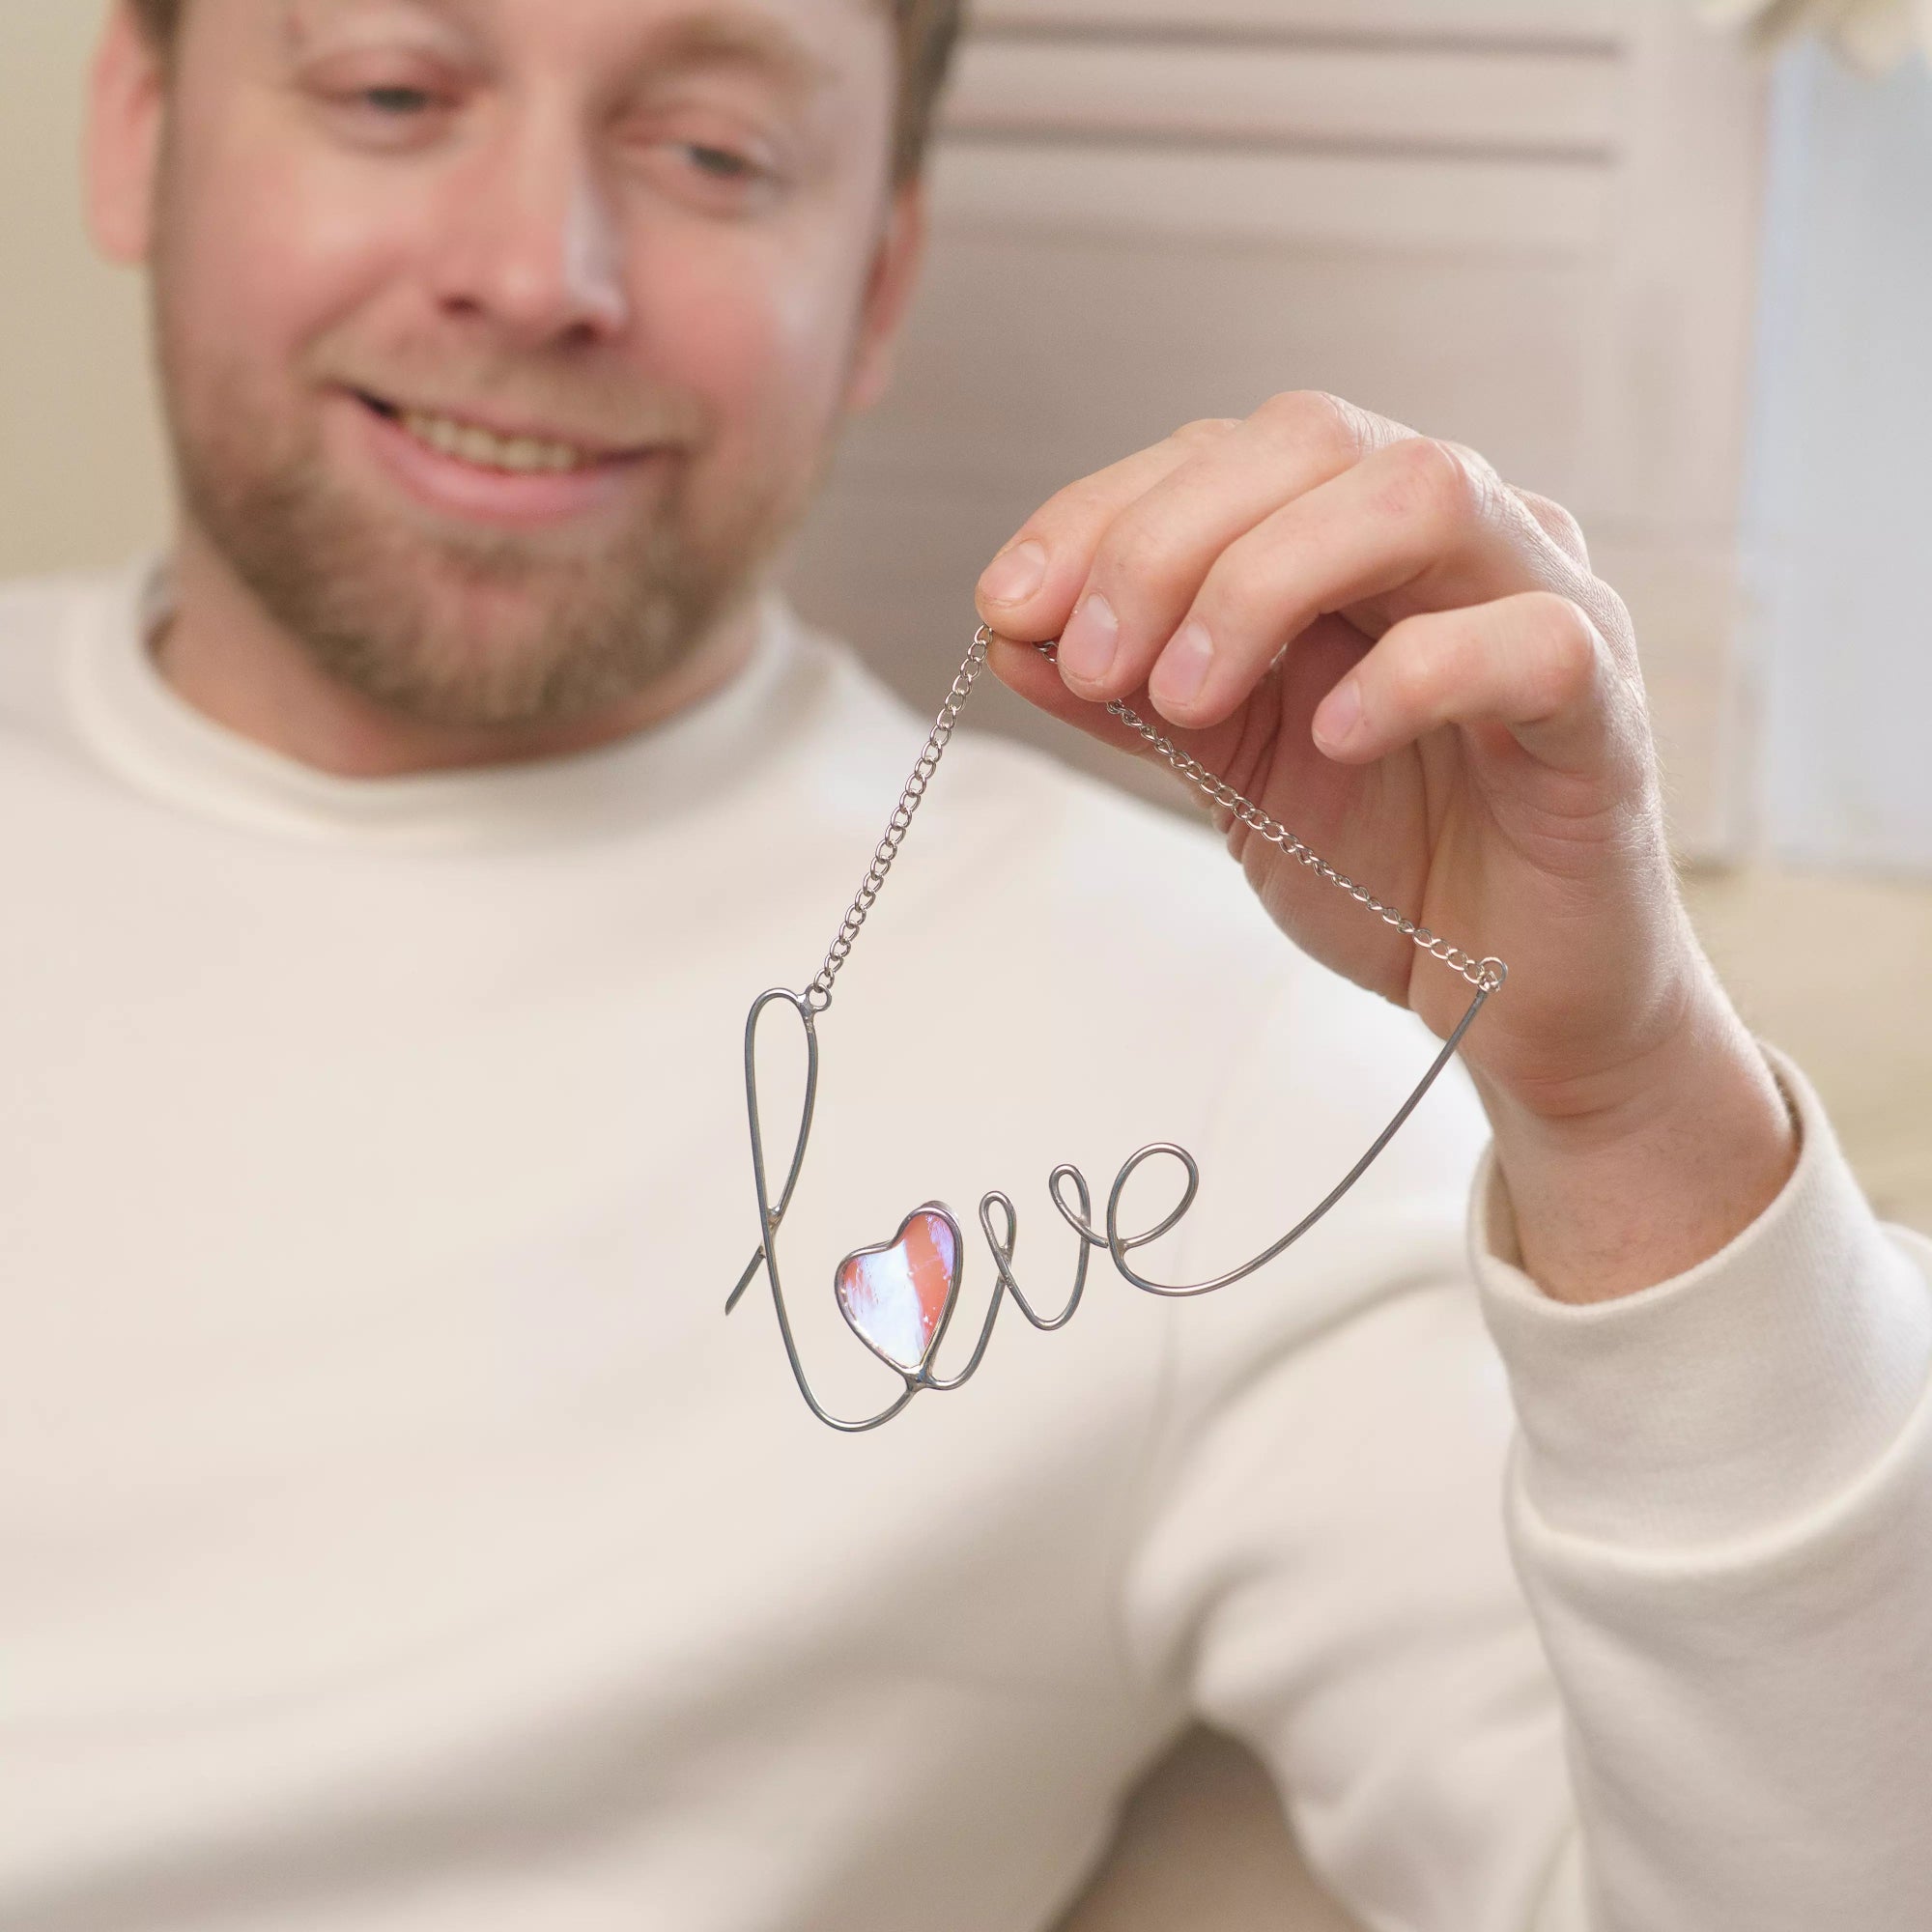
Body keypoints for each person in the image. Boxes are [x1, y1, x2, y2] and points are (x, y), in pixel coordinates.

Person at [3, 2, 1927, 1928]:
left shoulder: (1228, 1050)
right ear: (136, 125)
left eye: (712, 155)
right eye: (394, 95)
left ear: (875, 280)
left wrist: (1629, 1101)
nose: (535, 275)